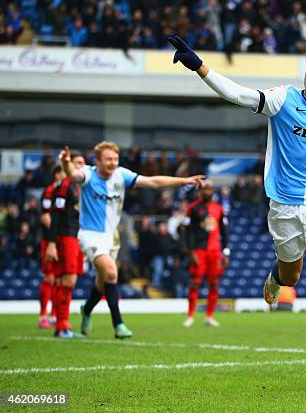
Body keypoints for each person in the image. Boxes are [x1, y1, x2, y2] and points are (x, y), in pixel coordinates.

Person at [169, 35, 306, 382]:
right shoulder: (282, 99)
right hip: (285, 204)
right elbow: (237, 93)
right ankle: (276, 275)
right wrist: (199, 66)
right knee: (291, 276)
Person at [60, 142, 205, 339]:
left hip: (112, 237)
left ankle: (86, 309)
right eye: (108, 159)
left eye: (115, 159)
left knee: (103, 282)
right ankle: (118, 325)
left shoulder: (121, 174)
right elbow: (73, 174)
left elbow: (152, 182)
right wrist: (66, 163)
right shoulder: (87, 174)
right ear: (98, 161)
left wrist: (183, 181)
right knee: (111, 272)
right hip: (90, 235)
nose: (112, 163)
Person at [46, 152, 86, 338]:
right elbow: (55, 216)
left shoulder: (80, 187)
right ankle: (60, 324)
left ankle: (64, 324)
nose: (81, 165)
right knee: (67, 280)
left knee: (70, 281)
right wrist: (51, 243)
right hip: (65, 236)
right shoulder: (64, 187)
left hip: (77, 237)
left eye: (83, 163)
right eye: (77, 162)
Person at [181, 181, 229, 328]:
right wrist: (190, 251)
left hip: (215, 251)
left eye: (209, 189)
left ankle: (209, 316)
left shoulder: (219, 209)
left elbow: (224, 231)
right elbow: (186, 232)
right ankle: (190, 316)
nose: (207, 192)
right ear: (200, 191)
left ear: (213, 192)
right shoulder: (193, 208)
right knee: (195, 282)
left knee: (214, 283)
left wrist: (225, 252)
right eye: (204, 189)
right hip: (199, 251)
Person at [38, 166, 64, 329]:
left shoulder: (68, 190)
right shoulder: (50, 191)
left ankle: (55, 315)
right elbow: (45, 216)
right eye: (61, 172)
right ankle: (42, 316)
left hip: (63, 241)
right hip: (50, 241)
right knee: (49, 277)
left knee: (59, 279)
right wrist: (58, 231)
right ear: (56, 174)